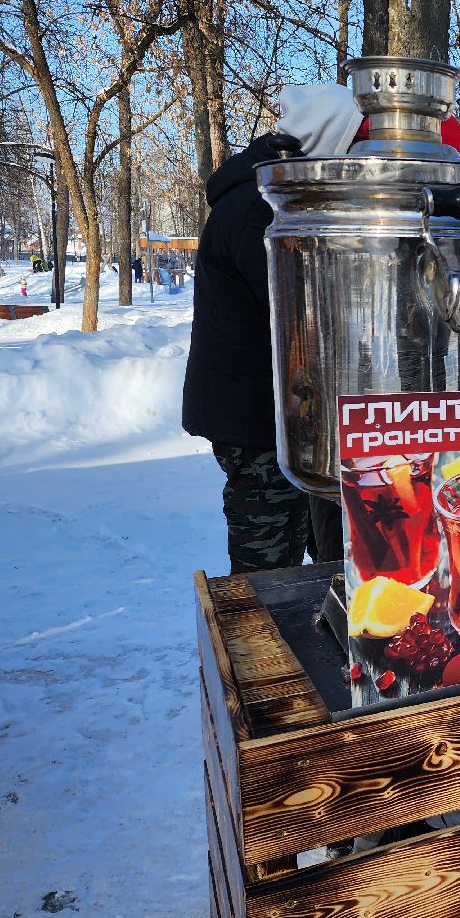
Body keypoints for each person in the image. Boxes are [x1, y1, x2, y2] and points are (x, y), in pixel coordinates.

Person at [183, 83, 364, 574]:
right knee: (266, 571)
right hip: (258, 419)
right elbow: (302, 315)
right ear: (326, 143)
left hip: (291, 413)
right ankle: (256, 649)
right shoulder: (260, 208)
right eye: (349, 149)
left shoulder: (277, 200)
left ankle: (304, 641)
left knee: (313, 554)